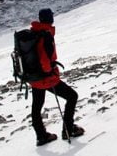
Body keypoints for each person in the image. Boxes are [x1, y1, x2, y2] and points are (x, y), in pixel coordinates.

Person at [30, 8, 85, 146]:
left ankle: (41, 136)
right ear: (49, 18)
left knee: (36, 107)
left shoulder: (33, 32)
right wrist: (50, 72)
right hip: (46, 77)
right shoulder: (46, 35)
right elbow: (44, 59)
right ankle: (68, 130)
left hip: (34, 78)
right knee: (72, 96)